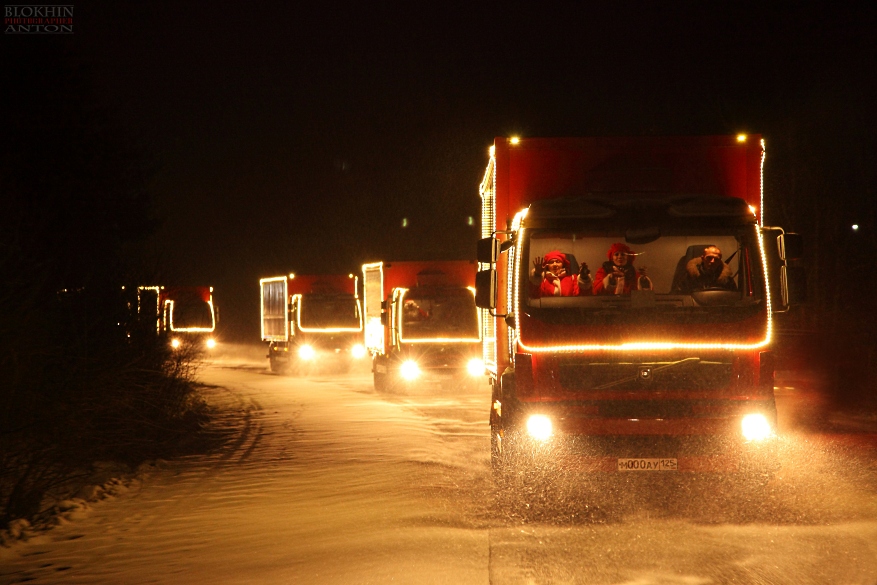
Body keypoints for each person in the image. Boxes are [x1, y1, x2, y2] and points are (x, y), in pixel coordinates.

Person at [672, 245, 737, 293]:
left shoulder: (726, 279)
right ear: (703, 258)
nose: (712, 261)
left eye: (716, 259)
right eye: (709, 258)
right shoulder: (689, 277)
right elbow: (677, 295)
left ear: (720, 261)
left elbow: (734, 297)